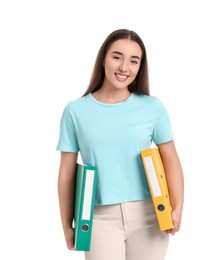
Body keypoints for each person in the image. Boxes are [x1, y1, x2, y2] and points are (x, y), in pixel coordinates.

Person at [57, 29, 184, 260]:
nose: (124, 67)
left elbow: (171, 159)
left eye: (133, 61)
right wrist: (67, 223)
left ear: (140, 67)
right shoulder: (75, 111)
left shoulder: (152, 107)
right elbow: (67, 170)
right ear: (103, 58)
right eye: (117, 57)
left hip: (150, 214)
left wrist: (178, 207)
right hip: (98, 217)